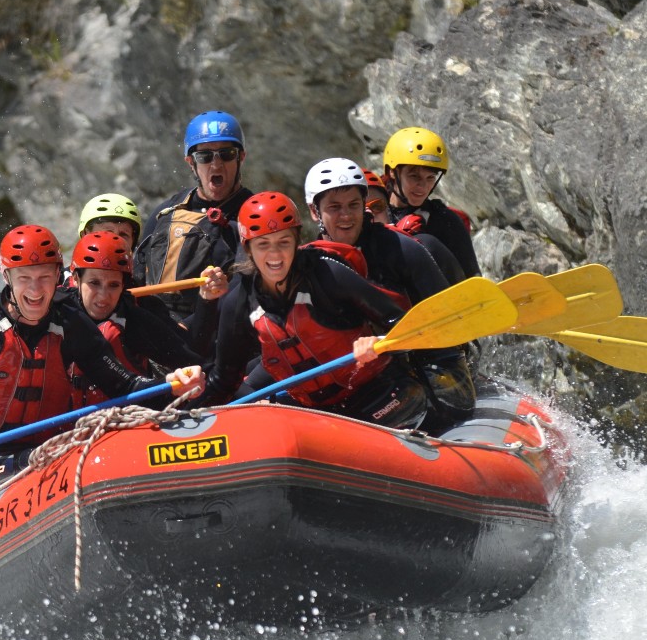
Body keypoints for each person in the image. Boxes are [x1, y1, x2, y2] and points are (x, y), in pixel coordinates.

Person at [0, 224, 203, 513]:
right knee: (30, 460)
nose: (35, 289)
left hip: (47, 453)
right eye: (24, 278)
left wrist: (170, 386)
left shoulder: (71, 325)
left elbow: (123, 386)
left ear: (59, 275)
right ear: (7, 276)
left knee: (49, 456)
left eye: (44, 277)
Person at [197, 191, 428, 429]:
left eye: (283, 242)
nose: (275, 254)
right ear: (248, 248)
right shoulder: (239, 303)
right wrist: (186, 411)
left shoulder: (327, 275)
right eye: (263, 244)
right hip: (321, 415)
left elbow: (404, 326)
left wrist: (380, 341)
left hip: (382, 394)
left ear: (296, 242)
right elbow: (224, 382)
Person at [304, 158, 476, 431]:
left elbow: (448, 322)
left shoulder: (402, 249)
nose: (346, 216)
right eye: (334, 207)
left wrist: (389, 341)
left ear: (364, 206)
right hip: (367, 377)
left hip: (430, 368)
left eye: (354, 205)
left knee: (433, 406)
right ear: (315, 212)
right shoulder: (312, 265)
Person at [68, 230, 222, 405]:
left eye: (113, 285)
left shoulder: (136, 320)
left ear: (124, 285)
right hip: (61, 421)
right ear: (76, 279)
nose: (103, 296)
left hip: (126, 415)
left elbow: (196, 360)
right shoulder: (59, 312)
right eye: (94, 283)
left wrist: (183, 380)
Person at [133, 110, 253, 322]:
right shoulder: (165, 213)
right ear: (191, 162)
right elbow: (137, 275)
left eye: (226, 154)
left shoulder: (255, 213)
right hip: (159, 329)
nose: (216, 165)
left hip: (224, 330)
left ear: (241, 157)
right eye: (204, 156)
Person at [76, 192, 228, 358]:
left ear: (132, 245)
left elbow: (191, 351)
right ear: (84, 236)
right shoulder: (58, 293)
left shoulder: (144, 303)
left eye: (123, 235)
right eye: (107, 232)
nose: (114, 240)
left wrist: (207, 300)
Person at [383, 127, 482, 278]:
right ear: (392, 172)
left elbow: (472, 277)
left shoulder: (446, 220)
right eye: (414, 176)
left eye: (430, 178)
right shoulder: (373, 214)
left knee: (426, 242)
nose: (423, 186)